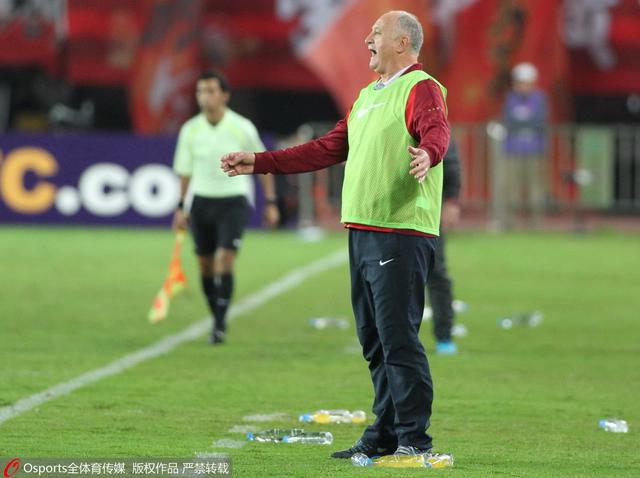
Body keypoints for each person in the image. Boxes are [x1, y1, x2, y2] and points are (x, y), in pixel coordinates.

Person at [221, 11, 450, 458]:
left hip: (399, 231)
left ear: (403, 43)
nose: (367, 39)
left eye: (377, 33)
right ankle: (385, 434)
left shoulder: (421, 87)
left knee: (399, 340)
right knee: (374, 340)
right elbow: (329, 147)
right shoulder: (367, 95)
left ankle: (415, 443)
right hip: (364, 232)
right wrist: (260, 161)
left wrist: (428, 154)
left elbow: (437, 131)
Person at [172, 70, 279, 345]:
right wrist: (181, 207)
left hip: (233, 201)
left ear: (224, 95)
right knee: (205, 265)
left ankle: (218, 324)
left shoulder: (241, 127)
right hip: (202, 203)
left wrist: (270, 203)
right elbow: (185, 172)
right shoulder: (190, 130)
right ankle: (216, 315)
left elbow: (262, 164)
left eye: (209, 91)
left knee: (224, 259)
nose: (204, 97)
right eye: (200, 92)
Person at [497, 62, 549, 229]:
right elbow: (508, 121)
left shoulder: (540, 99)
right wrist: (525, 121)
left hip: (535, 151)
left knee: (536, 189)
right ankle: (510, 224)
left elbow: (539, 121)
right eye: (519, 83)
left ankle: (536, 224)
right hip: (513, 150)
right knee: (511, 189)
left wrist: (522, 121)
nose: (522, 86)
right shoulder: (510, 98)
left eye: (526, 83)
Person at [428, 140, 461, 355]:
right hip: (387, 213)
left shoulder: (430, 114)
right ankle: (382, 335)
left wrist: (451, 200)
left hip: (426, 213)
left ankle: (444, 336)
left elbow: (449, 161)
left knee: (437, 273)